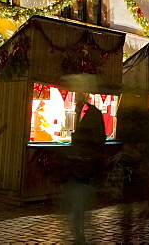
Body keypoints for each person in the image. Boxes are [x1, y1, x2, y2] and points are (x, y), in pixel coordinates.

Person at [60, 84, 107, 245]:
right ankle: (80, 234)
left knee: (78, 204)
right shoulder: (92, 115)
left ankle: (80, 235)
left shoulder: (90, 117)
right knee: (80, 204)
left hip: (82, 168)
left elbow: (86, 141)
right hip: (84, 169)